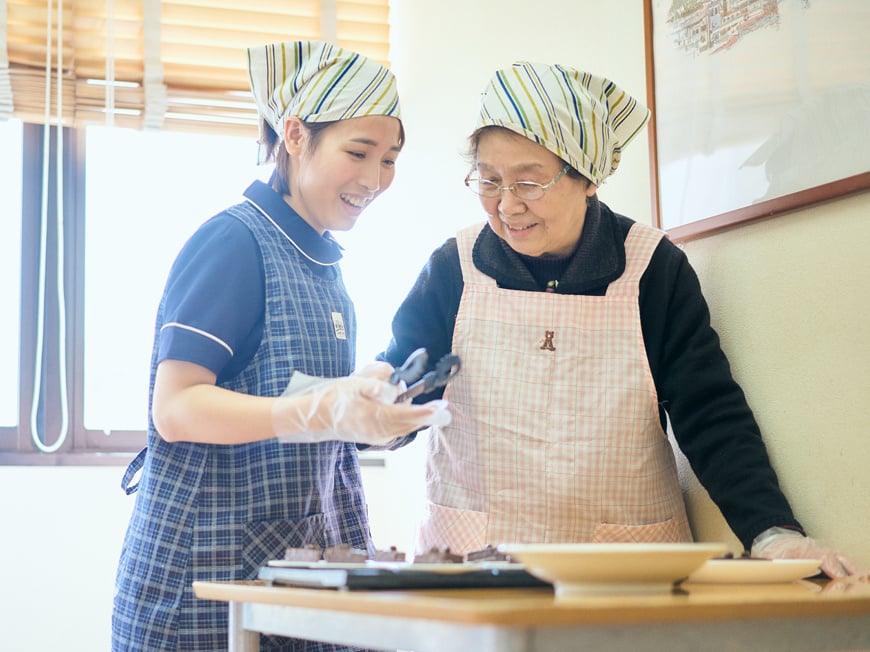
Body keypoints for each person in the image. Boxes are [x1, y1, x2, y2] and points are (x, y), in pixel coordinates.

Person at [380, 61, 865, 579]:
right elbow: (404, 388)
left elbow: (708, 412)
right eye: (490, 180)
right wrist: (367, 414)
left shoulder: (652, 266)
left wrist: (772, 532)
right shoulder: (454, 267)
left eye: (528, 181)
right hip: (473, 561)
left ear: (587, 178)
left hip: (623, 568)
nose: (506, 205)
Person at [112, 40, 449, 651]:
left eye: (391, 158)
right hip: (203, 583)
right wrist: (312, 408)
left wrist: (369, 412)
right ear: (295, 135)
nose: (375, 179)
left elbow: (301, 407)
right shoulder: (233, 242)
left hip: (291, 574)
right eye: (359, 152)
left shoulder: (322, 261)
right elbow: (177, 407)